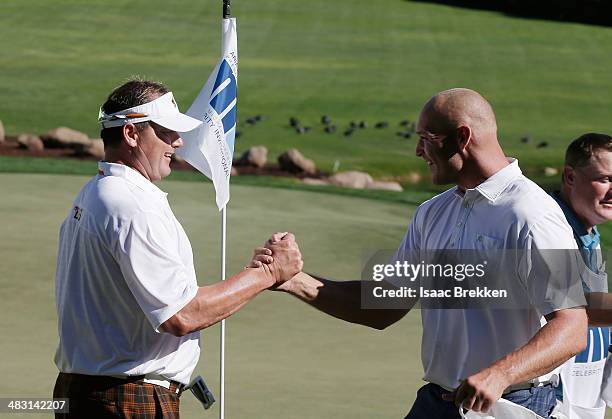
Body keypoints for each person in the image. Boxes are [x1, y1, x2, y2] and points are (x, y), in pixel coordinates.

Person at [251, 88, 588, 418]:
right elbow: (385, 304)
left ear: (462, 137)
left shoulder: (532, 214)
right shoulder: (431, 213)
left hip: (512, 404)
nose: (417, 150)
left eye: (426, 137)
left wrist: (500, 374)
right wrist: (293, 280)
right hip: (438, 401)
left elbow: (572, 327)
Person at [52, 79, 303, 418]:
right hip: (127, 398)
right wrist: (267, 273)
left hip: (93, 391)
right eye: (166, 131)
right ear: (131, 134)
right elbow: (181, 314)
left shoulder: (95, 192)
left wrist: (258, 274)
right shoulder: (130, 205)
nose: (178, 141)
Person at [550, 133, 612, 418]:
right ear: (571, 177)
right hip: (550, 403)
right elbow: (575, 307)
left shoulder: (589, 232)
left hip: (582, 401)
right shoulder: (548, 229)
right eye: (605, 179)